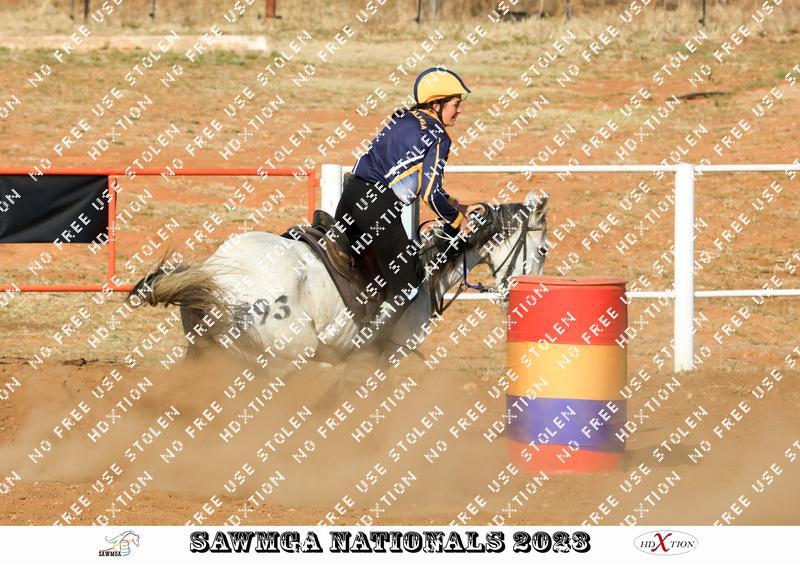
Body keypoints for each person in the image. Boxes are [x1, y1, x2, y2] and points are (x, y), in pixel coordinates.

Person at [335, 66, 471, 346]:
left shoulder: (403, 118)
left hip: (351, 195)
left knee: (357, 270)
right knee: (407, 283)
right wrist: (458, 221)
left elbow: (405, 174)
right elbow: (430, 194)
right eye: (456, 104)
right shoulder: (439, 136)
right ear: (437, 104)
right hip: (378, 209)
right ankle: (370, 352)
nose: (459, 111)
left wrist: (451, 202)